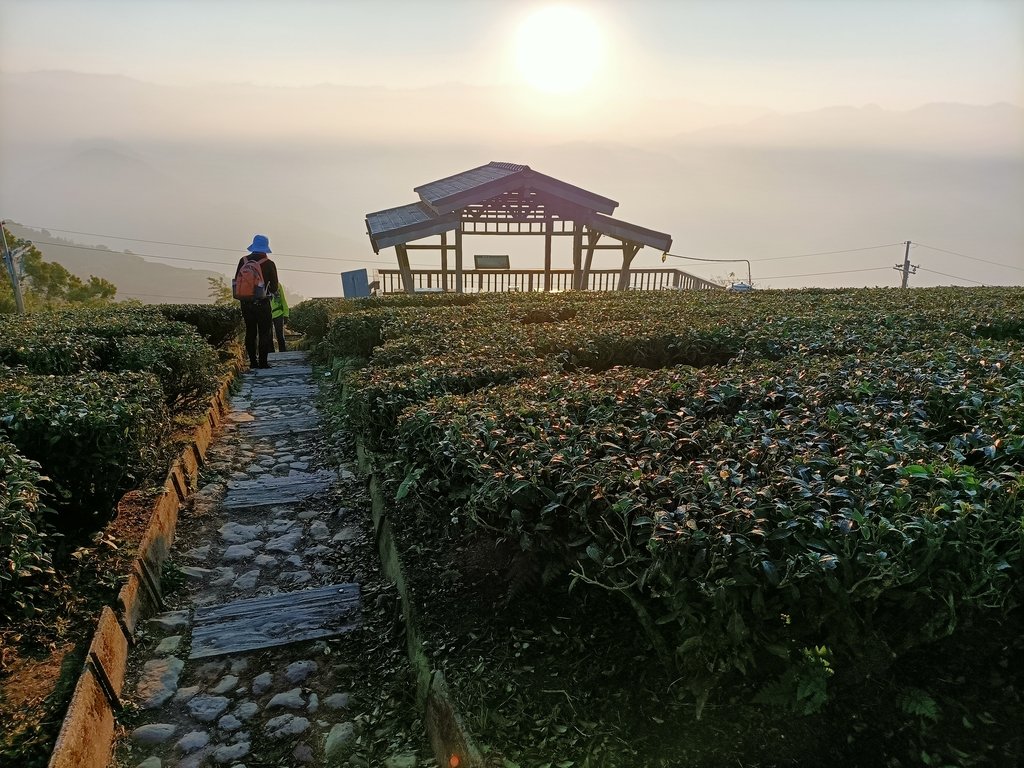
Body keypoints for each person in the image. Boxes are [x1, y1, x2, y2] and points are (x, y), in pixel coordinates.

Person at [235, 234, 279, 369]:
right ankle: (263, 362)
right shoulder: (269, 263)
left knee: (250, 331)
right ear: (265, 248)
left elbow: (237, 280)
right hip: (262, 302)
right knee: (264, 332)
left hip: (246, 302)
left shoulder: (243, 261)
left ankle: (253, 362)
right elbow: (274, 286)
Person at [271, 283, 289, 352]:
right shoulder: (261, 283)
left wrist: (286, 314)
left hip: (278, 313)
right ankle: (270, 355)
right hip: (266, 314)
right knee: (269, 337)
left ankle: (283, 353)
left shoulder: (277, 284)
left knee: (280, 336)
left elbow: (283, 299)